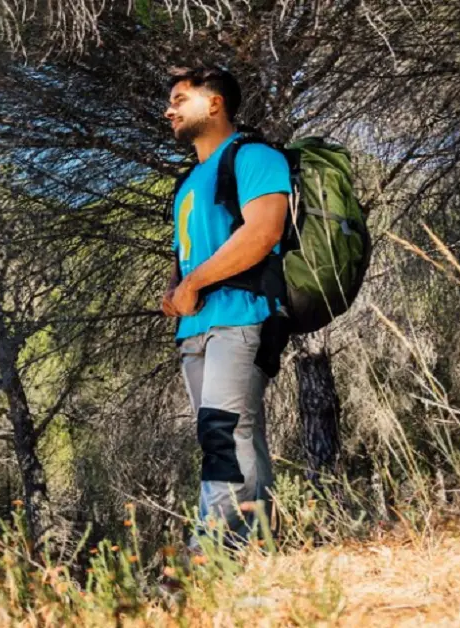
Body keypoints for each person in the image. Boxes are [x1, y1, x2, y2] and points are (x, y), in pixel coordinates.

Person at [161, 66, 291, 550]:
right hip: (196, 328)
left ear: (214, 103)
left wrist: (194, 282)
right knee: (234, 437)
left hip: (242, 316)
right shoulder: (188, 182)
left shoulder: (254, 156)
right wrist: (177, 290)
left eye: (179, 98)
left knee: (223, 435)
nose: (168, 109)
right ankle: (258, 551)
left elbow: (263, 233)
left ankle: (210, 559)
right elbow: (192, 253)